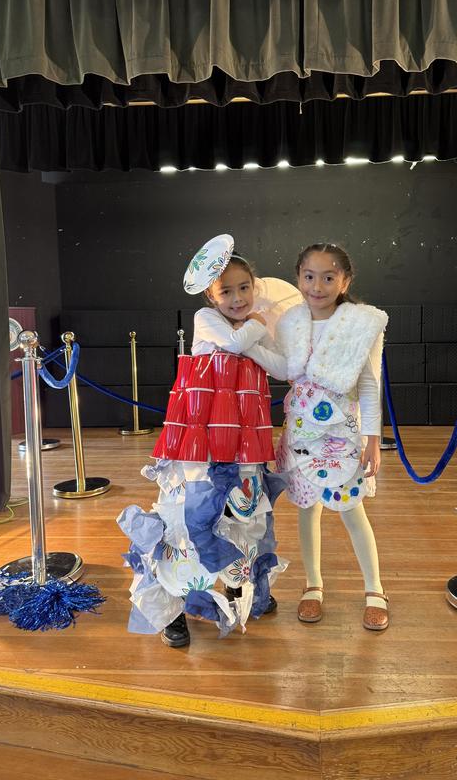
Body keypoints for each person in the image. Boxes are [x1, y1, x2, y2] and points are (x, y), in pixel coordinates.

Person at [117, 235, 293, 647]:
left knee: (243, 516)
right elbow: (233, 343)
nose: (237, 298)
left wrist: (260, 337)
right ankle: (171, 609)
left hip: (244, 444)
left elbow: (281, 366)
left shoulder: (251, 330)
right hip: (199, 445)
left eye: (244, 288)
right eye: (225, 291)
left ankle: (244, 589)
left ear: (255, 286)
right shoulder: (206, 321)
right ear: (211, 298)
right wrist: (258, 327)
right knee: (187, 519)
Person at [275, 243, 390, 631]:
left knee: (351, 509)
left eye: (328, 276)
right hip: (302, 432)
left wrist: (373, 439)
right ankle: (313, 585)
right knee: (308, 510)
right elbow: (282, 368)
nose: (317, 285)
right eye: (309, 276)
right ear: (298, 277)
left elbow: (371, 386)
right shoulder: (289, 321)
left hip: (343, 434)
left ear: (345, 280)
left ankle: (375, 589)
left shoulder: (361, 323)